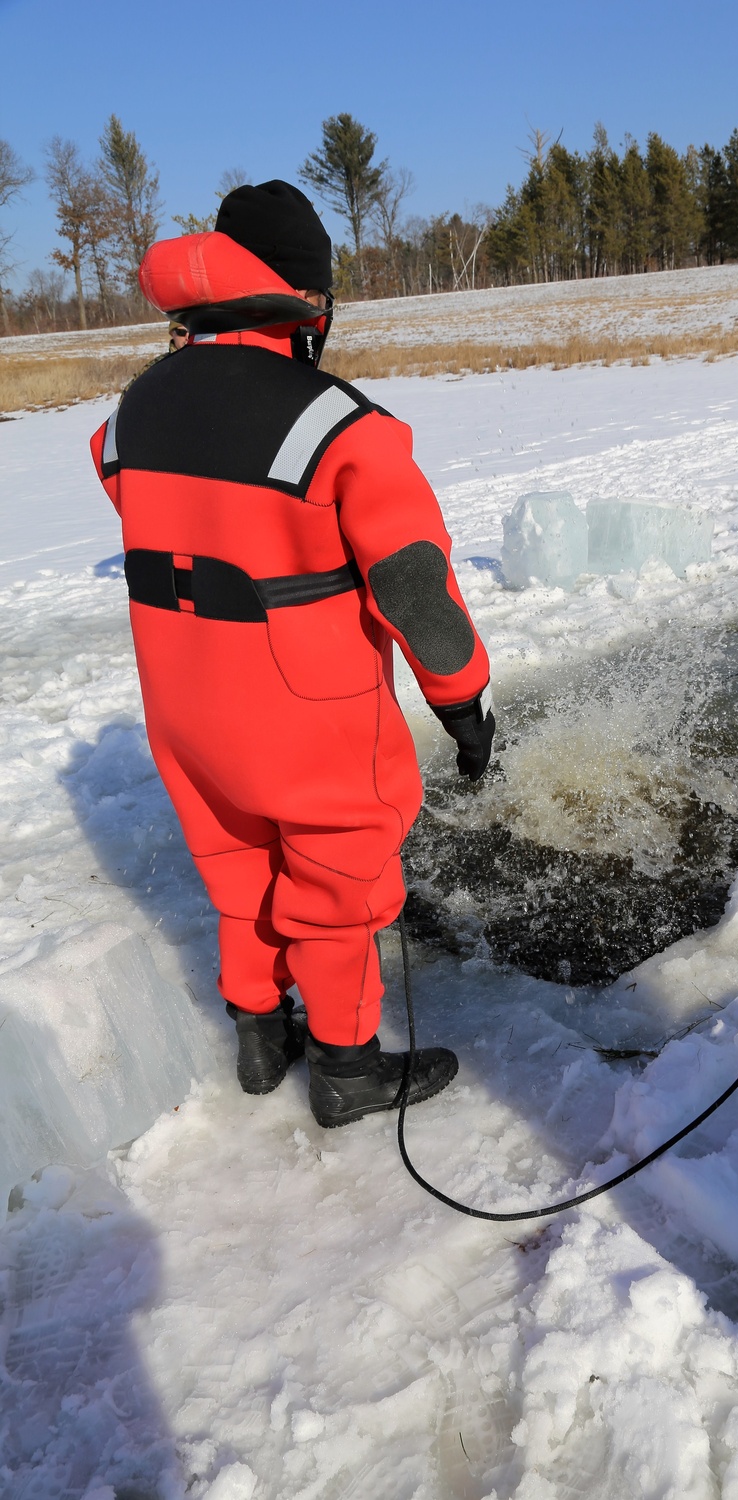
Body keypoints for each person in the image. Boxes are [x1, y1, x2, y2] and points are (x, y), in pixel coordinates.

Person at [90, 180, 495, 1128]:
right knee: (337, 877)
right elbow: (411, 587)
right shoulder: (341, 425)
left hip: (185, 704)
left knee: (237, 864)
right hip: (305, 709)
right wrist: (461, 701)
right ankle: (348, 1065)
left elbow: (146, 505)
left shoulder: (134, 410)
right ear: (308, 302)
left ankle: (262, 1035)